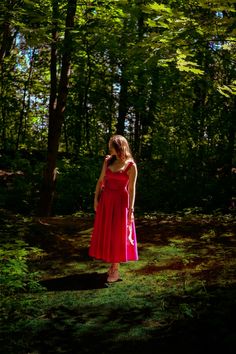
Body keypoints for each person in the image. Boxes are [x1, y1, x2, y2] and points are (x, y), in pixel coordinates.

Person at [89, 135, 138, 282]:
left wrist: (131, 209)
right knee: (108, 232)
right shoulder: (108, 161)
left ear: (120, 147)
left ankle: (115, 269)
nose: (110, 149)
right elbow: (100, 181)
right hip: (106, 202)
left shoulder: (131, 165)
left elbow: (132, 189)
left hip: (121, 203)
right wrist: (96, 199)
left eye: (112, 146)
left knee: (118, 234)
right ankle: (112, 265)